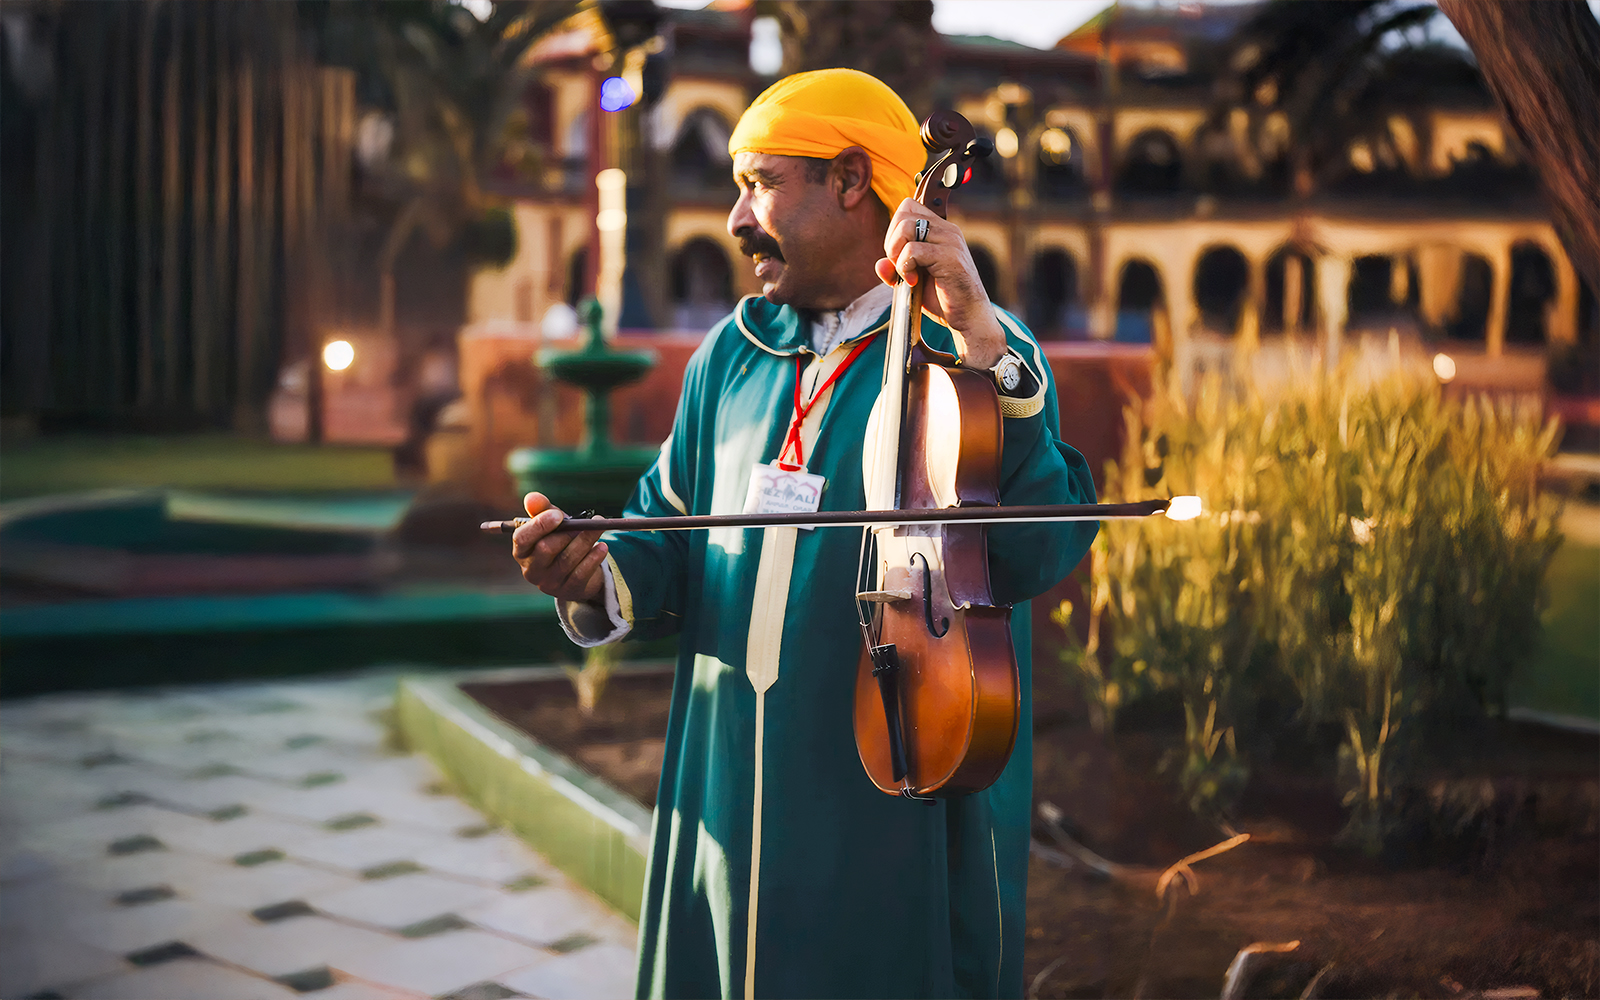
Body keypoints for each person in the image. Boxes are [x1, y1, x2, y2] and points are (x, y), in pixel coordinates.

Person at [513, 68, 1097, 1000]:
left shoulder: (972, 352)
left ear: (853, 183)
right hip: (725, 776)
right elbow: (664, 529)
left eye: (761, 183)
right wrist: (595, 573)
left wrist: (984, 347)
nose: (739, 218)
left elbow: (1033, 550)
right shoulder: (731, 355)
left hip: (884, 786)